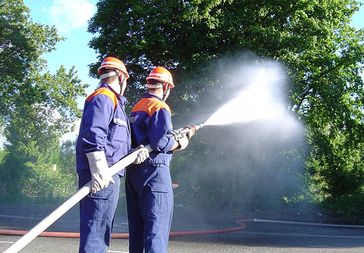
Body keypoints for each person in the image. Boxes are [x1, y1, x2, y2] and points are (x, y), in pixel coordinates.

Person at [76, 56, 148, 253]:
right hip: (102, 174)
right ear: (122, 77)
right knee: (96, 231)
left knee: (101, 228)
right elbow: (94, 133)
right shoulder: (104, 97)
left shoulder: (114, 102)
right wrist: (98, 167)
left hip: (109, 172)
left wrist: (133, 153)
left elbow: (113, 142)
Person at [126, 66, 195, 253]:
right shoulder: (159, 107)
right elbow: (160, 142)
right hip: (154, 171)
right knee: (156, 227)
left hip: (134, 171)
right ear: (165, 87)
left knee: (138, 230)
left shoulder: (138, 106)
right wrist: (181, 143)